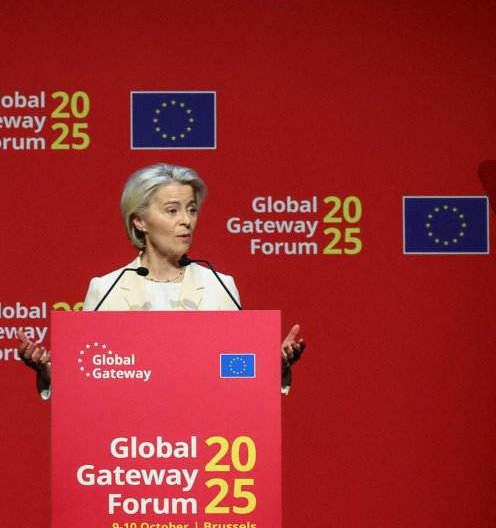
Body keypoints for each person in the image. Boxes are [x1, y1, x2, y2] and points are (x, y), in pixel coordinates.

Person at [17, 163, 306, 398]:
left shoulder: (220, 286)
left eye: (191, 209)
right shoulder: (106, 289)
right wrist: (49, 373)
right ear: (139, 221)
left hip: (203, 434)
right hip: (129, 439)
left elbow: (237, 373)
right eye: (172, 210)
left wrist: (273, 367)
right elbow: (88, 377)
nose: (186, 221)